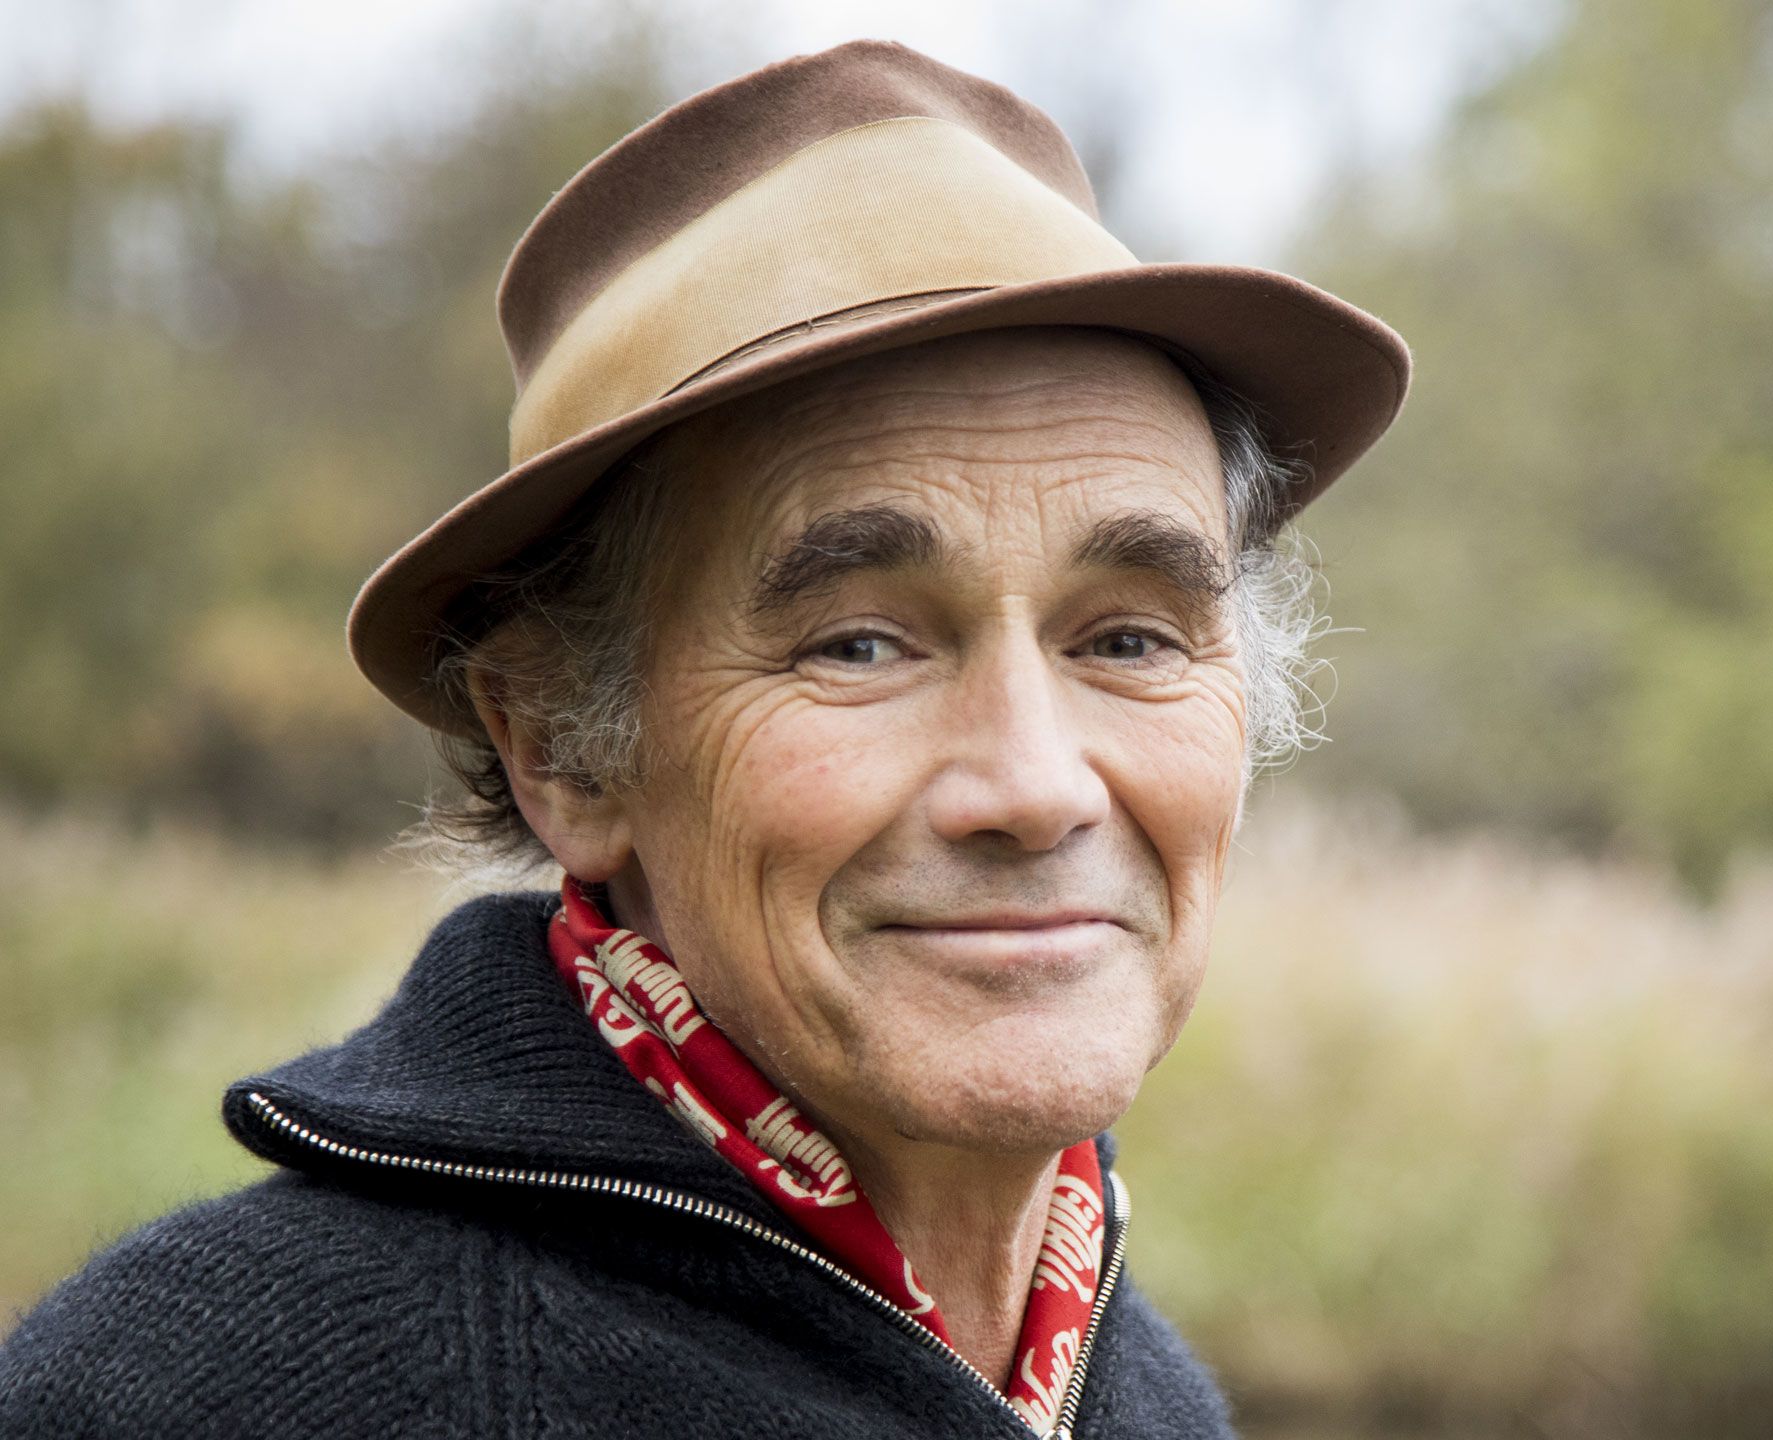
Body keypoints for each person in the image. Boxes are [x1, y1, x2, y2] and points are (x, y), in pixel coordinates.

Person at [0, 38, 1407, 1439]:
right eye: (860, 644)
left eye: (1130, 640)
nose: (1036, 788)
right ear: (561, 749)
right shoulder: (205, 1396)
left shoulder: (1143, 1396)